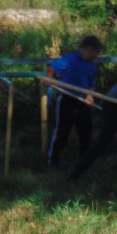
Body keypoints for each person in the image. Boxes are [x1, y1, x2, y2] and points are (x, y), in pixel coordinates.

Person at [46, 35, 104, 167]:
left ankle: (83, 161)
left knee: (86, 130)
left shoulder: (91, 67)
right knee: (62, 130)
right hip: (66, 99)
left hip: (82, 101)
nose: (96, 56)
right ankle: (53, 161)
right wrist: (49, 78)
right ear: (88, 49)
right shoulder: (69, 59)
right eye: (96, 52)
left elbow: (91, 85)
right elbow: (52, 67)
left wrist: (89, 96)